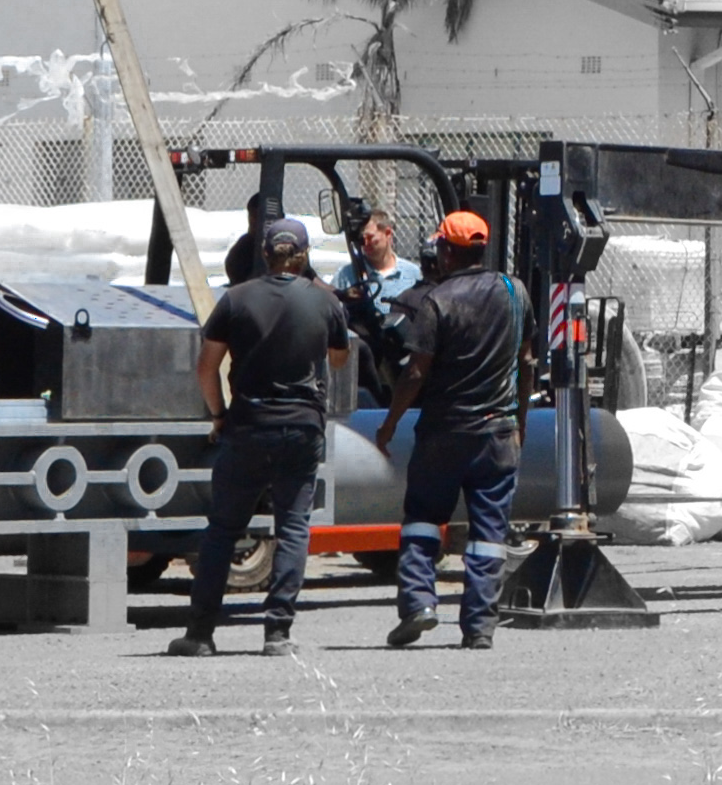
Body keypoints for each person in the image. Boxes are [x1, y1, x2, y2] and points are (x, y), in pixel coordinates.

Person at [172, 219, 350, 657]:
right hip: (303, 427)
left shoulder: (236, 300)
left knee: (223, 529)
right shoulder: (325, 303)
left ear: (266, 254)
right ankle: (277, 633)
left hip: (248, 425)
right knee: (293, 527)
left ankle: (200, 634)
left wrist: (218, 414)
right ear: (304, 256)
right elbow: (339, 359)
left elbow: (206, 366)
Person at [372, 208, 529, 650]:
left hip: (443, 432)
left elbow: (415, 373)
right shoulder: (513, 291)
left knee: (423, 519)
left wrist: (389, 423)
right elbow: (527, 361)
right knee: (489, 534)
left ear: (444, 250)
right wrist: (518, 422)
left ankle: (419, 604)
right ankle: (479, 628)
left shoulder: (436, 301)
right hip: (497, 433)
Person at [337, 207, 422, 393]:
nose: (365, 243)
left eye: (370, 237)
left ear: (388, 233)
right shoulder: (347, 275)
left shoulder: (412, 274)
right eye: (362, 239)